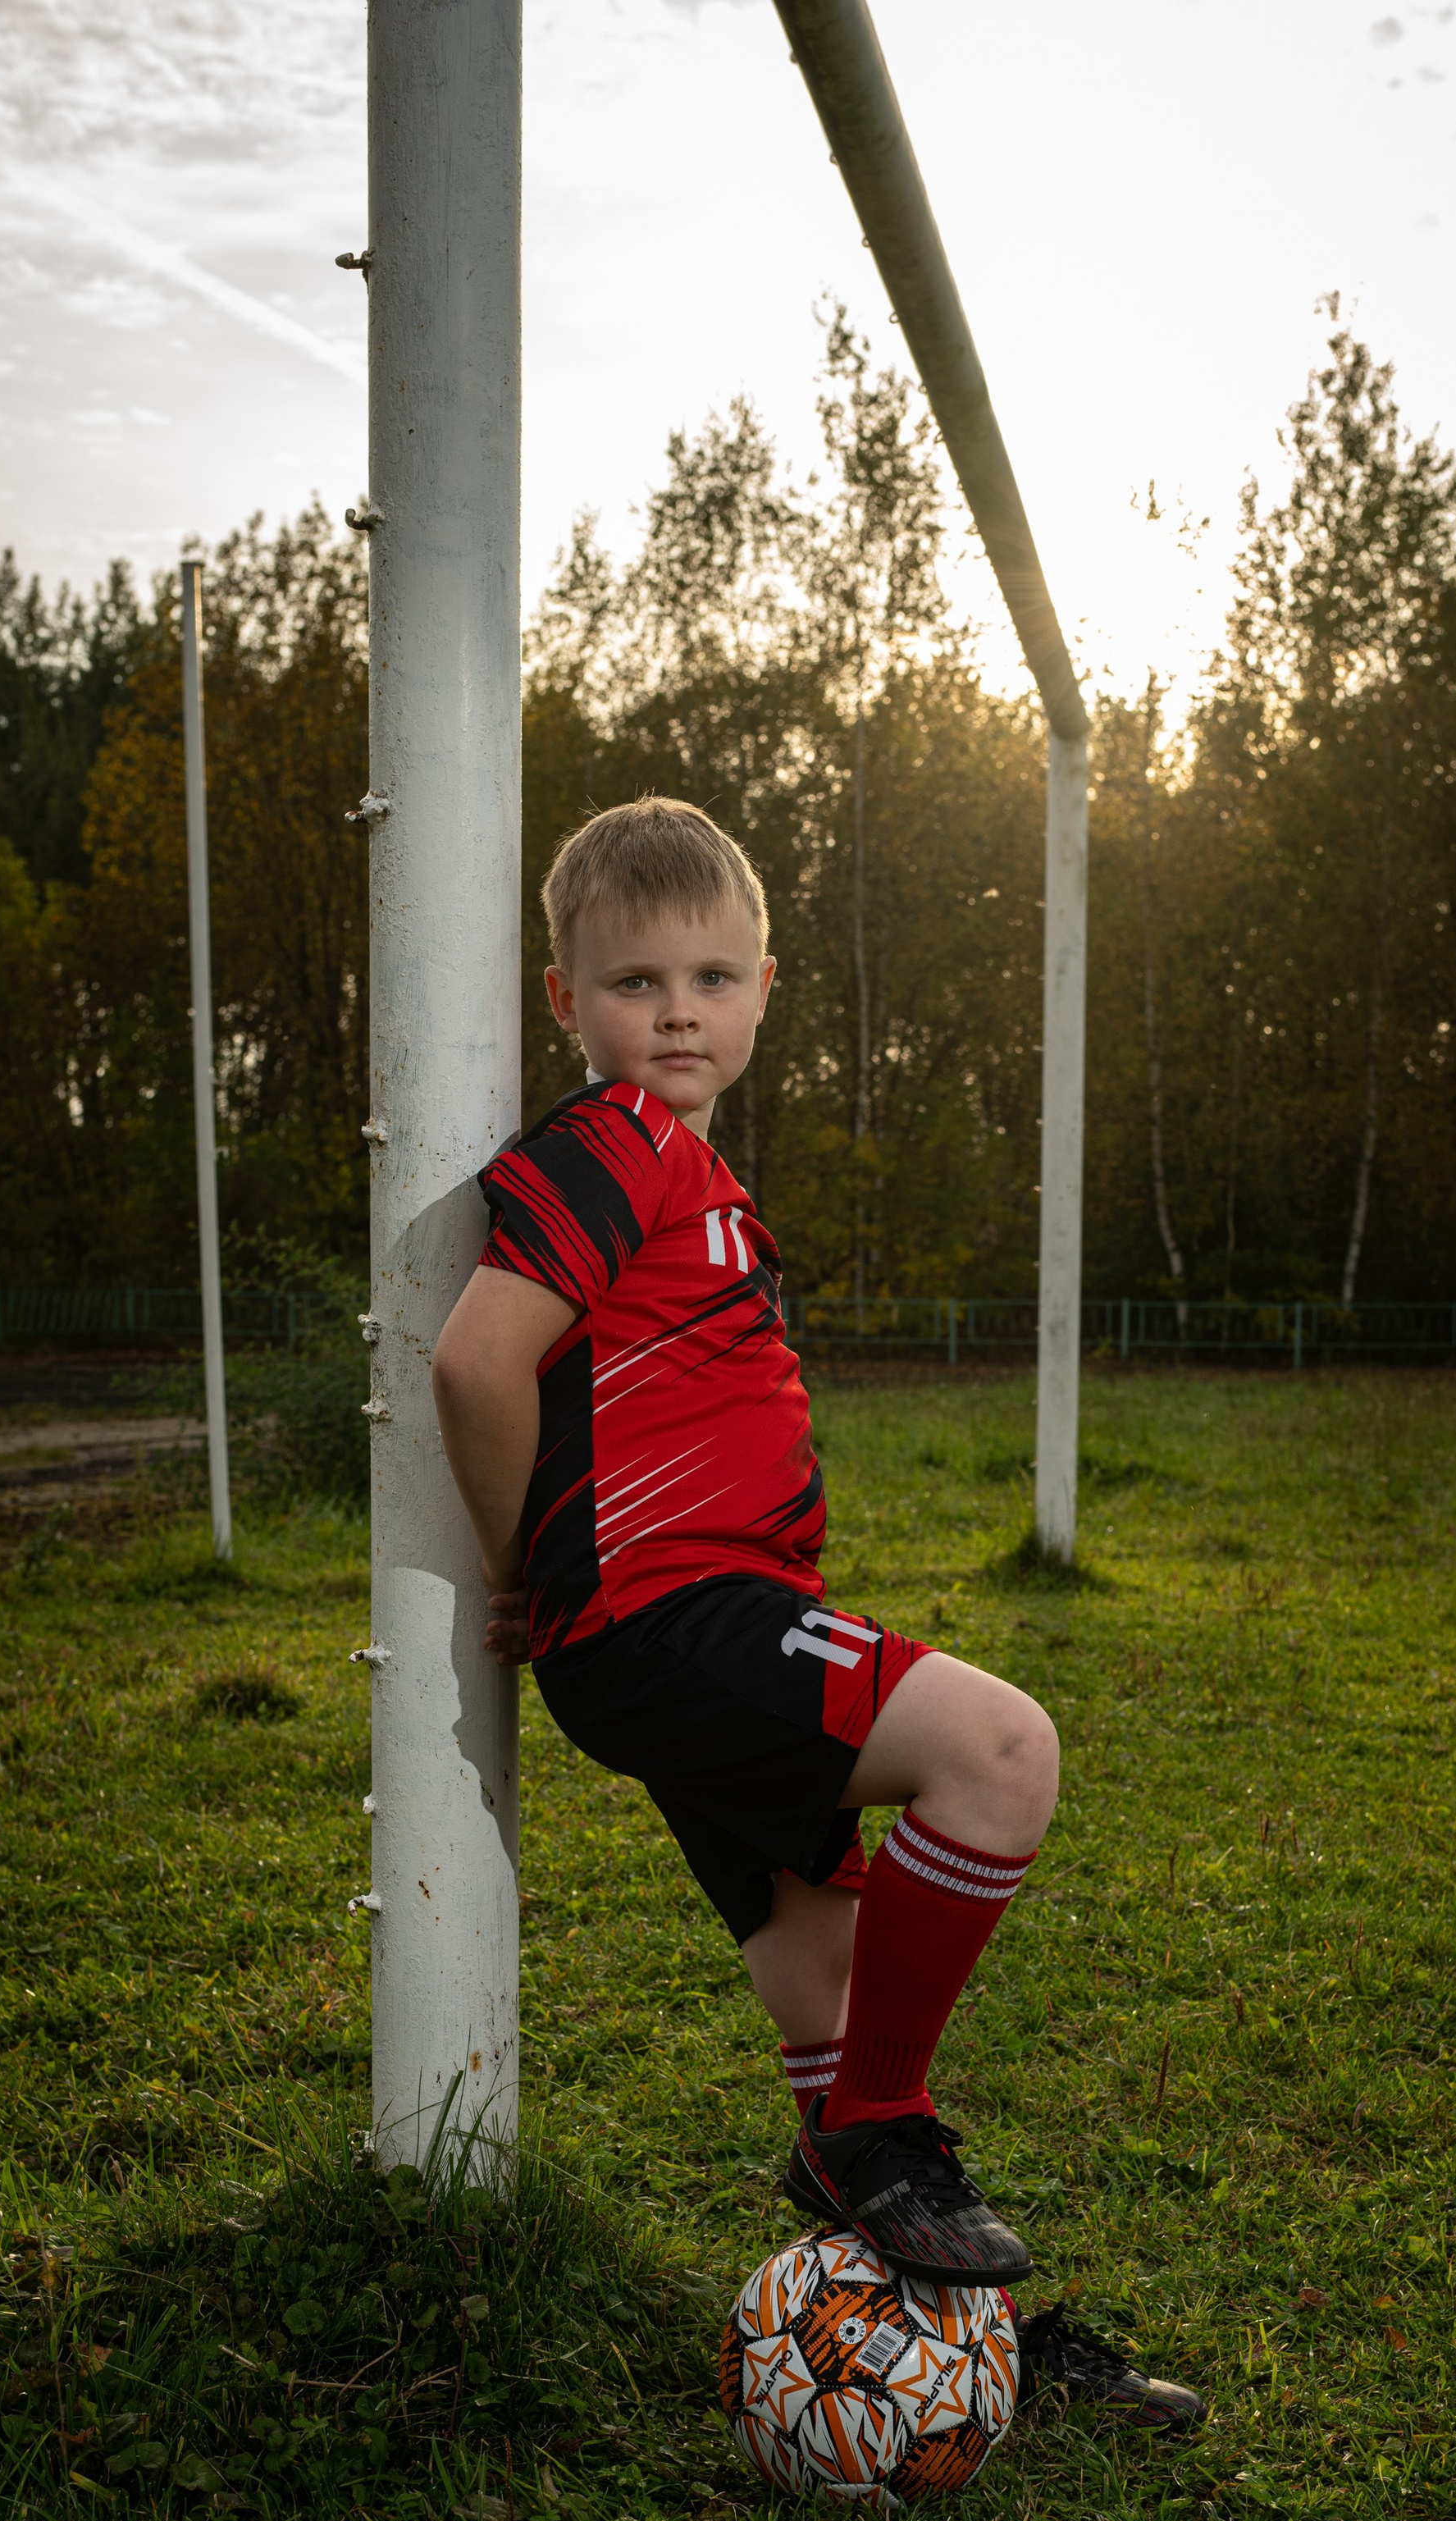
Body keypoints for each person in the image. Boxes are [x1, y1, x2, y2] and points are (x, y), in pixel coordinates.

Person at [431, 797, 1200, 2426]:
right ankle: (877, 2128)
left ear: (767, 988)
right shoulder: (612, 1146)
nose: (678, 1013)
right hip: (674, 1617)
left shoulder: (691, 1172)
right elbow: (476, 1362)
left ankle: (942, 2342)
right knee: (1000, 1752)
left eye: (710, 977)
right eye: (635, 983)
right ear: (564, 1003)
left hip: (695, 1624)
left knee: (817, 1967)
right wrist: (535, 1573)